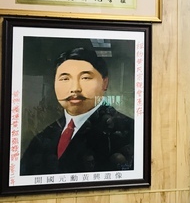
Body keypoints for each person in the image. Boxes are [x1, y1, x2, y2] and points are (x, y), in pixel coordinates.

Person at [20, 47, 134, 175]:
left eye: (85, 78)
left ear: (104, 83)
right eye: (65, 79)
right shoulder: (44, 136)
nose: (75, 88)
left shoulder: (128, 131)